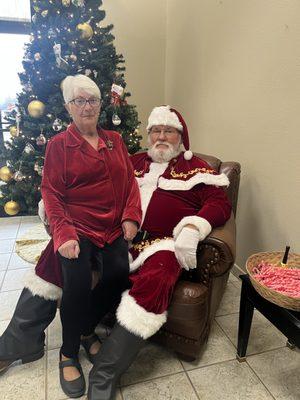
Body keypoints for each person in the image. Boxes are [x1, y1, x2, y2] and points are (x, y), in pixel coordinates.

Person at [0, 105, 231, 400]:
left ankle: (105, 370)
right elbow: (87, 186)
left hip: (161, 243)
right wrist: (56, 206)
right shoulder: (130, 160)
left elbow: (220, 204)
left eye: (168, 131)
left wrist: (193, 227)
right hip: (115, 234)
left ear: (181, 136)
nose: (161, 137)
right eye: (156, 131)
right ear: (149, 135)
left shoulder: (197, 169)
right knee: (58, 252)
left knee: (159, 276)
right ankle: (20, 340)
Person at [0, 74, 141, 399]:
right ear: (68, 107)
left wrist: (132, 216)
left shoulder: (115, 141)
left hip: (112, 229)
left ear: (100, 105)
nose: (87, 106)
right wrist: (63, 234)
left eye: (92, 100)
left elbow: (131, 183)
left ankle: (87, 328)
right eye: (79, 100)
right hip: (76, 228)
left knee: (119, 274)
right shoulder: (59, 146)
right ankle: (68, 351)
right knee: (75, 282)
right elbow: (51, 193)